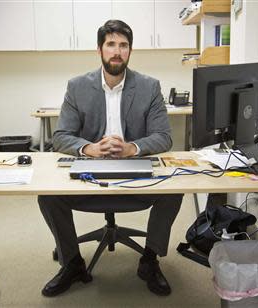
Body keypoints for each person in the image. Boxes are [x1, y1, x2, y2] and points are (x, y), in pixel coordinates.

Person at [38, 19, 183, 297]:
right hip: (90, 173)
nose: (117, 51)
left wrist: (132, 148)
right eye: (111, 44)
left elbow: (164, 136)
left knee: (175, 190)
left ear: (130, 50)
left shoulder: (149, 86)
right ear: (99, 50)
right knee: (47, 195)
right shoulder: (77, 86)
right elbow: (61, 136)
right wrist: (88, 148)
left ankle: (149, 260)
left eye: (124, 45)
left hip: (134, 172)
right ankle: (72, 263)